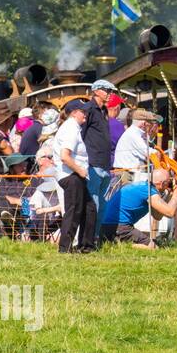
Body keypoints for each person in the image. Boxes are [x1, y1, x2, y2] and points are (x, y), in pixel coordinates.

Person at [55, 100, 96, 254]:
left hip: (73, 175)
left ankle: (86, 246)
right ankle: (64, 249)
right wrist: (80, 171)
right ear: (73, 113)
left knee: (89, 209)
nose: (85, 114)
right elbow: (64, 156)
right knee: (73, 212)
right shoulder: (71, 128)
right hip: (72, 175)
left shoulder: (73, 128)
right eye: (82, 111)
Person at [82, 80, 118, 244]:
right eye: (107, 90)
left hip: (104, 164)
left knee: (102, 204)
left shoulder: (103, 110)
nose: (110, 93)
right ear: (96, 91)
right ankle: (88, 239)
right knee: (93, 203)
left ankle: (96, 237)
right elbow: (80, 135)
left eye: (111, 91)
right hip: (93, 162)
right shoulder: (88, 109)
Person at [109, 168, 177, 245]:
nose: (170, 184)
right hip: (119, 226)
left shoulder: (144, 187)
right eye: (168, 182)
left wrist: (168, 194)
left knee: (153, 243)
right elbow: (170, 212)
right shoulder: (148, 191)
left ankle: (117, 242)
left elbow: (157, 216)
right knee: (153, 247)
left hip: (110, 225)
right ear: (161, 183)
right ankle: (121, 244)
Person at [112, 109, 160, 183]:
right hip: (127, 175)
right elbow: (149, 153)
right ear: (144, 123)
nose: (152, 126)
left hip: (129, 173)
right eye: (150, 123)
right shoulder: (134, 135)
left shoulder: (136, 134)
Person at [106, 93, 126, 162]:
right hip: (113, 163)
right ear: (117, 108)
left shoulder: (99, 121)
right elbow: (124, 145)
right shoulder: (117, 125)